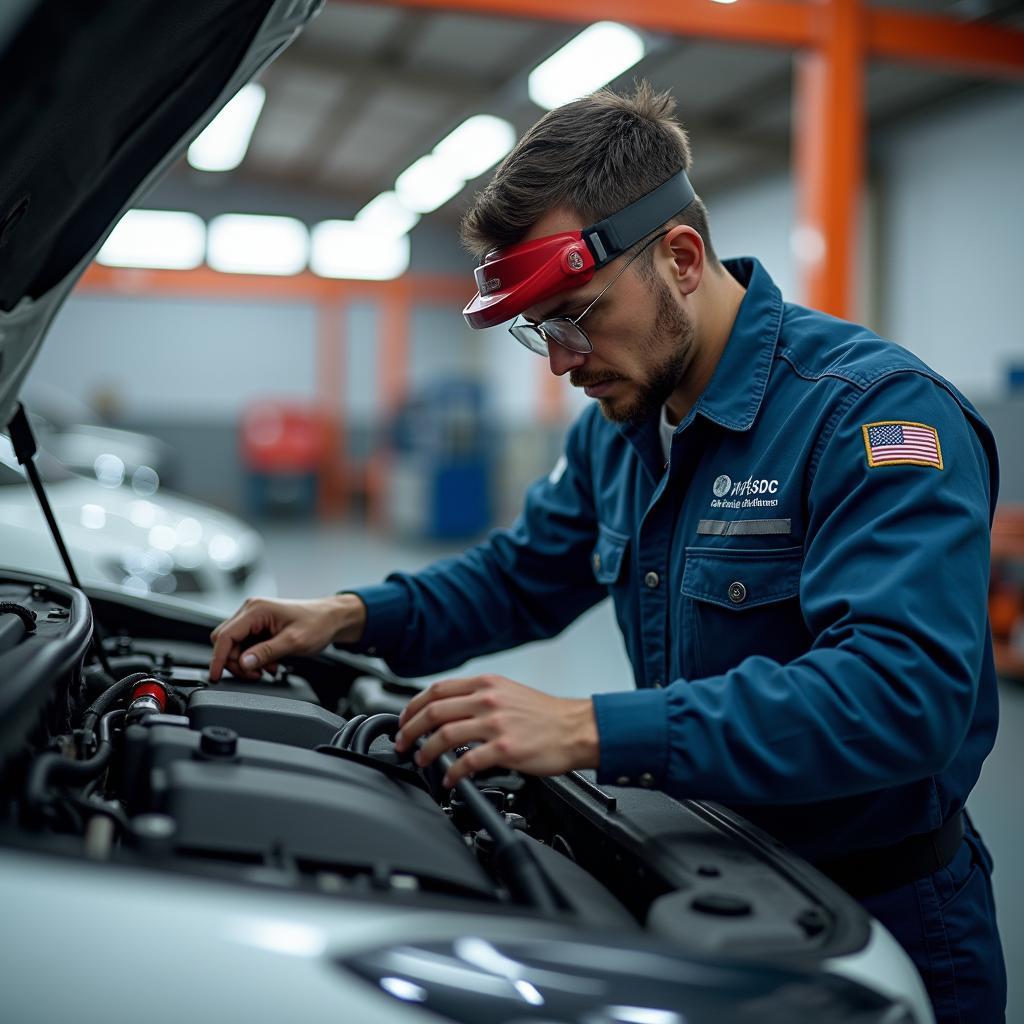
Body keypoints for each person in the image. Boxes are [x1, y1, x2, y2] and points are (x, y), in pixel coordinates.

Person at [210, 83, 1006, 1022]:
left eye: (578, 314)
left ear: (679, 257)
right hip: (707, 883)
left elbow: (901, 696)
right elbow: (520, 575)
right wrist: (350, 613)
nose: (560, 360)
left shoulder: (871, 417)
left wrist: (593, 729)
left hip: (882, 923)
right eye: (538, 330)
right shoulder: (620, 425)